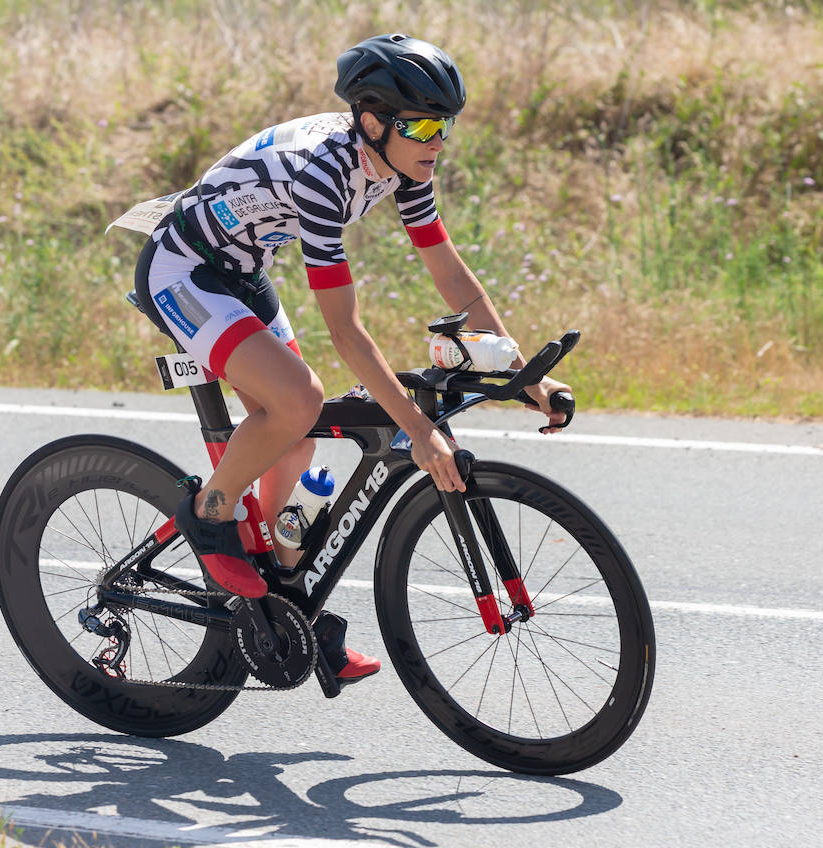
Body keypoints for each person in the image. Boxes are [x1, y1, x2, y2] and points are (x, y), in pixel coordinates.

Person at [128, 33, 572, 683]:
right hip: (185, 271)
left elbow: (451, 275)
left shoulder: (403, 163)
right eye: (422, 126)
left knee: (299, 446)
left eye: (444, 125)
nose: (437, 142)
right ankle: (209, 514)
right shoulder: (324, 173)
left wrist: (520, 372)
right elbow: (346, 332)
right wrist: (417, 432)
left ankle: (287, 608)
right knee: (298, 402)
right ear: (373, 122)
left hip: (243, 272)